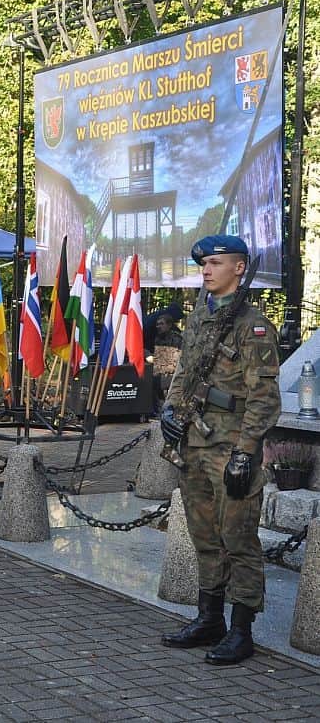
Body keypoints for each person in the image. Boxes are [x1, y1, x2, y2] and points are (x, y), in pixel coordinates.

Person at [159, 235, 281, 665]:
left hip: (230, 446)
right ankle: (209, 618)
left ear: (239, 268)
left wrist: (245, 453)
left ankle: (241, 629)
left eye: (215, 263)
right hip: (194, 441)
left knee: (238, 539)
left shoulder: (253, 326)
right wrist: (170, 410)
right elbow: (185, 372)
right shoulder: (200, 316)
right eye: (204, 264)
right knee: (205, 537)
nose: (206, 270)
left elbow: (264, 397)